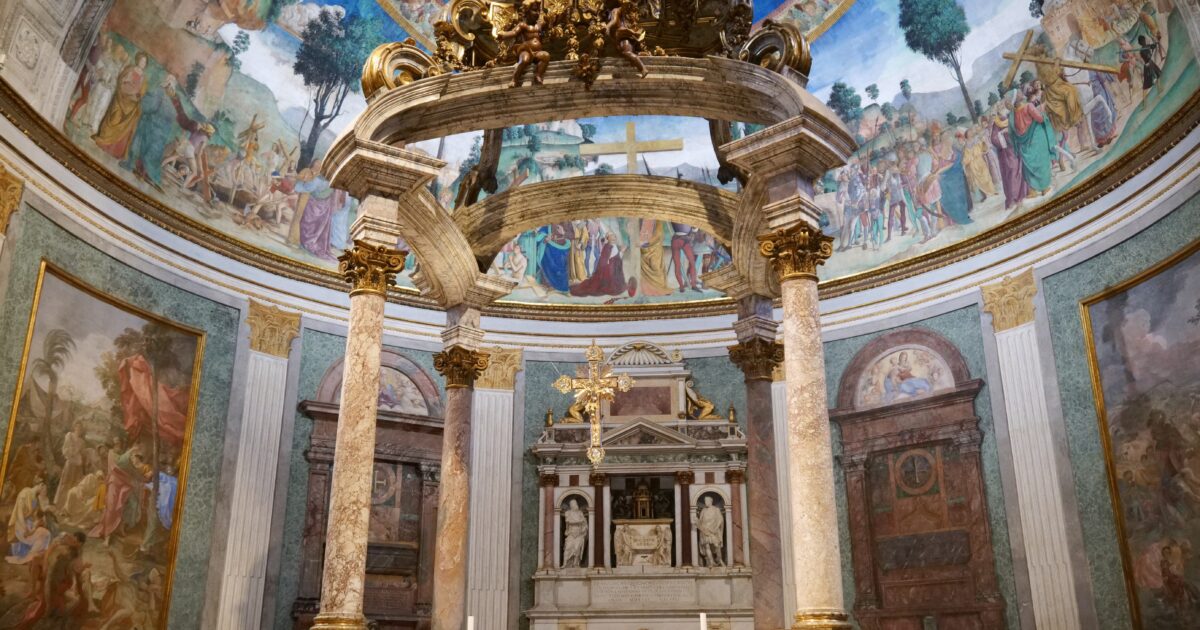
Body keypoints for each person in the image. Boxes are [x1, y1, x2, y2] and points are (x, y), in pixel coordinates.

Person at [92, 52, 149, 160]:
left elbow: (142, 92)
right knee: (114, 118)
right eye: (142, 60)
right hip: (120, 97)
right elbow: (120, 79)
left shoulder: (144, 78)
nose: (142, 63)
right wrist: (125, 86)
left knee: (126, 127)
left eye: (144, 62)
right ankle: (105, 142)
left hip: (132, 104)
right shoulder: (129, 69)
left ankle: (115, 151)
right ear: (138, 60)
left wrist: (137, 95)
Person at [1010, 91, 1056, 197]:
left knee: (1029, 166)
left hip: (1024, 143)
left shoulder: (1013, 114)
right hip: (1036, 138)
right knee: (1042, 161)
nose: (1021, 93)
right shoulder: (1028, 106)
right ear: (1017, 97)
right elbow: (1040, 119)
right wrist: (1043, 113)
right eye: (1018, 93)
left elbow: (1014, 130)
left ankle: (1032, 191)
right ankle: (1044, 188)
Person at [497, 0, 551, 87]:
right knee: (525, 59)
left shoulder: (539, 26)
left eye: (538, 10)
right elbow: (514, 32)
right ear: (527, 11)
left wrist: (547, 25)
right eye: (534, 10)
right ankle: (514, 79)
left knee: (546, 56)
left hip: (537, 52)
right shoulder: (523, 25)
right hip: (525, 50)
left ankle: (538, 75)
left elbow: (543, 35)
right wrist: (503, 34)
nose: (537, 13)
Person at [991, 102, 1028, 210]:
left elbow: (1018, 128)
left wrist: (1012, 131)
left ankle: (1020, 196)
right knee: (1011, 173)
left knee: (1019, 171)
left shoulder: (1010, 117)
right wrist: (1002, 134)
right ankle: (1012, 198)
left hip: (1016, 148)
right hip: (1006, 153)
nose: (1002, 108)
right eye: (1000, 107)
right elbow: (994, 138)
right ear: (998, 111)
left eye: (1002, 106)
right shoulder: (996, 123)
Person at [6, 478, 52, 565]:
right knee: (45, 534)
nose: (45, 492)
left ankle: (31, 556)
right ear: (41, 485)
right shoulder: (25, 493)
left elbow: (35, 515)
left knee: (46, 533)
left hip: (29, 525)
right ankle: (29, 557)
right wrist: (26, 528)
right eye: (45, 489)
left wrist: (38, 523)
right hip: (21, 526)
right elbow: (19, 514)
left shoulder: (35, 498)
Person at [606, 0, 648, 77]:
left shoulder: (627, 12)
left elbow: (629, 26)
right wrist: (608, 27)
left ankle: (642, 68)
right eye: (625, 4)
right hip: (625, 35)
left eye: (628, 4)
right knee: (627, 52)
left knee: (626, 52)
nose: (627, 6)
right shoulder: (617, 10)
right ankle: (640, 54)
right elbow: (614, 21)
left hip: (626, 36)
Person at [54, 421, 87, 508]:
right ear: (74, 427)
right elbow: (65, 450)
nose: (79, 429)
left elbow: (83, 455)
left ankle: (70, 507)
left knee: (76, 485)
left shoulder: (82, 442)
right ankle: (60, 504)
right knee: (65, 483)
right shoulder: (69, 436)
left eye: (81, 428)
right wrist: (73, 451)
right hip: (70, 463)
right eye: (77, 427)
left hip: (78, 466)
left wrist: (81, 455)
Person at [638, 219, 671, 296]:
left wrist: (648, 242)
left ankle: (660, 287)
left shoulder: (657, 221)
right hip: (644, 248)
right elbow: (640, 233)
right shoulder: (643, 220)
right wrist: (641, 242)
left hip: (655, 247)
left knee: (656, 267)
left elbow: (658, 234)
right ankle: (648, 290)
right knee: (645, 269)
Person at [538, 224, 572, 293]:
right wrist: (545, 239)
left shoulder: (566, 223)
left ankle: (562, 287)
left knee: (562, 268)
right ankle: (550, 285)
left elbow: (572, 235)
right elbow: (538, 237)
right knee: (549, 266)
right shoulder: (546, 226)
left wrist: (564, 233)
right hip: (549, 251)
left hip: (562, 252)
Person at [669, 223, 699, 291]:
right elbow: (694, 229)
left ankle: (683, 286)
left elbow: (694, 229)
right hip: (682, 240)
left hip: (678, 240)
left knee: (678, 265)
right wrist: (694, 230)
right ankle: (691, 285)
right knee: (690, 263)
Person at [695, 496, 724, 567]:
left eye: (707, 501)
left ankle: (719, 560)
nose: (705, 502)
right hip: (705, 530)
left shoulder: (716, 509)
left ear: (711, 501)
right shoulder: (703, 510)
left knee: (716, 545)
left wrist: (715, 528)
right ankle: (711, 562)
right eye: (705, 501)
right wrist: (696, 521)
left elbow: (720, 520)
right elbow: (700, 521)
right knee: (707, 546)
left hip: (714, 530)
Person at [561, 499, 588, 568]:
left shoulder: (580, 513)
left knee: (577, 549)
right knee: (567, 548)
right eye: (572, 504)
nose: (574, 505)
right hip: (571, 534)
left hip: (579, 534)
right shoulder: (568, 513)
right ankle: (565, 564)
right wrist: (579, 521)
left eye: (575, 503)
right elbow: (568, 521)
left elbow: (584, 523)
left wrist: (583, 527)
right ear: (570, 505)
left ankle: (576, 564)